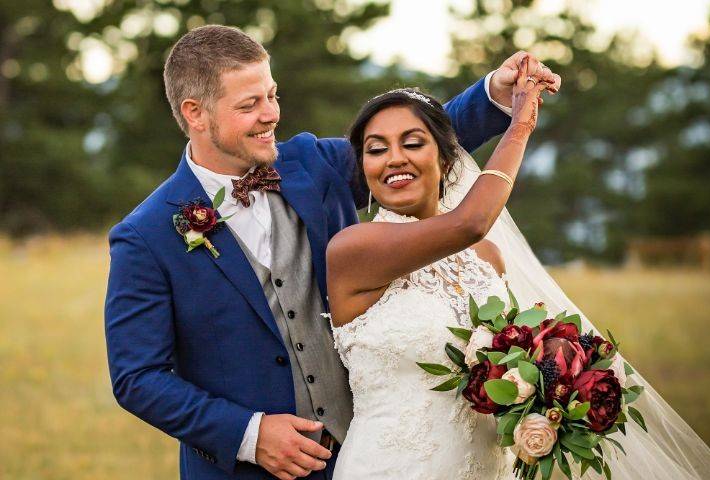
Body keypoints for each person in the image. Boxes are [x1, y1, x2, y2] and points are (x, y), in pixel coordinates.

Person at [103, 24, 561, 480]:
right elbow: (137, 378)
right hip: (247, 473)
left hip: (367, 454)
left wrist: (494, 95)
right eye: (250, 104)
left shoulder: (309, 164)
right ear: (195, 113)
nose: (271, 115)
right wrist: (249, 434)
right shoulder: (145, 236)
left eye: (272, 95)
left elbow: (408, 142)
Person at [326, 67, 710, 479]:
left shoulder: (486, 258)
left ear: (445, 158)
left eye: (412, 143)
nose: (394, 159)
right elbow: (469, 222)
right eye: (375, 149)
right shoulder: (355, 249)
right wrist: (520, 126)